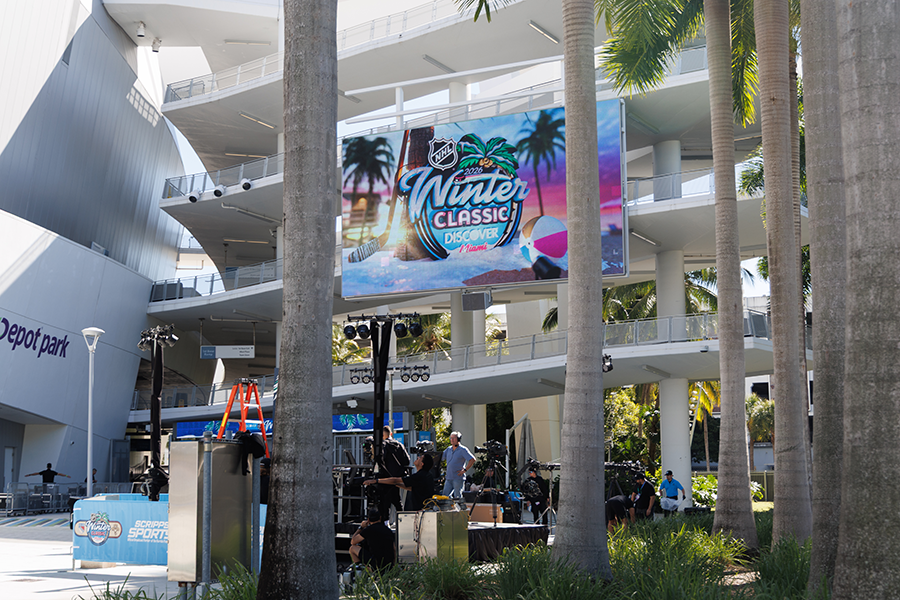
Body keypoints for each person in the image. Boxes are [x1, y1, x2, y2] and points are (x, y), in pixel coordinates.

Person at [365, 453, 435, 511]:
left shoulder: (419, 475)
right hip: (425, 507)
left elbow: (396, 480)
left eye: (420, 457)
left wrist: (376, 481)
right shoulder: (426, 475)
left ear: (422, 464)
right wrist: (395, 484)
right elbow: (411, 487)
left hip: (420, 508)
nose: (418, 457)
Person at [378, 426, 410, 522]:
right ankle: (402, 521)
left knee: (385, 501)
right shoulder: (399, 444)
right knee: (397, 500)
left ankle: (386, 522)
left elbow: (381, 460)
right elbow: (407, 460)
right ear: (391, 434)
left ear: (382, 435)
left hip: (386, 477)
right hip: (398, 477)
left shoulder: (383, 445)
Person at [349, 506, 395, 571]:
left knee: (352, 548)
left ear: (368, 520)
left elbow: (353, 541)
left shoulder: (368, 530)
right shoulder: (388, 530)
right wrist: (394, 564)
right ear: (380, 517)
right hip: (388, 565)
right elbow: (394, 549)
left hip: (375, 563)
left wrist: (361, 527)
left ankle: (359, 570)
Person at [441, 431, 475, 499]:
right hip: (449, 477)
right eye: (451, 438)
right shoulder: (448, 449)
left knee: (458, 497)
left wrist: (465, 470)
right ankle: (450, 508)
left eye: (454, 438)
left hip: (458, 478)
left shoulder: (463, 449)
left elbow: (472, 459)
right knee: (445, 496)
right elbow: (441, 457)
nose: (452, 440)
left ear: (458, 439)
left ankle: (460, 509)